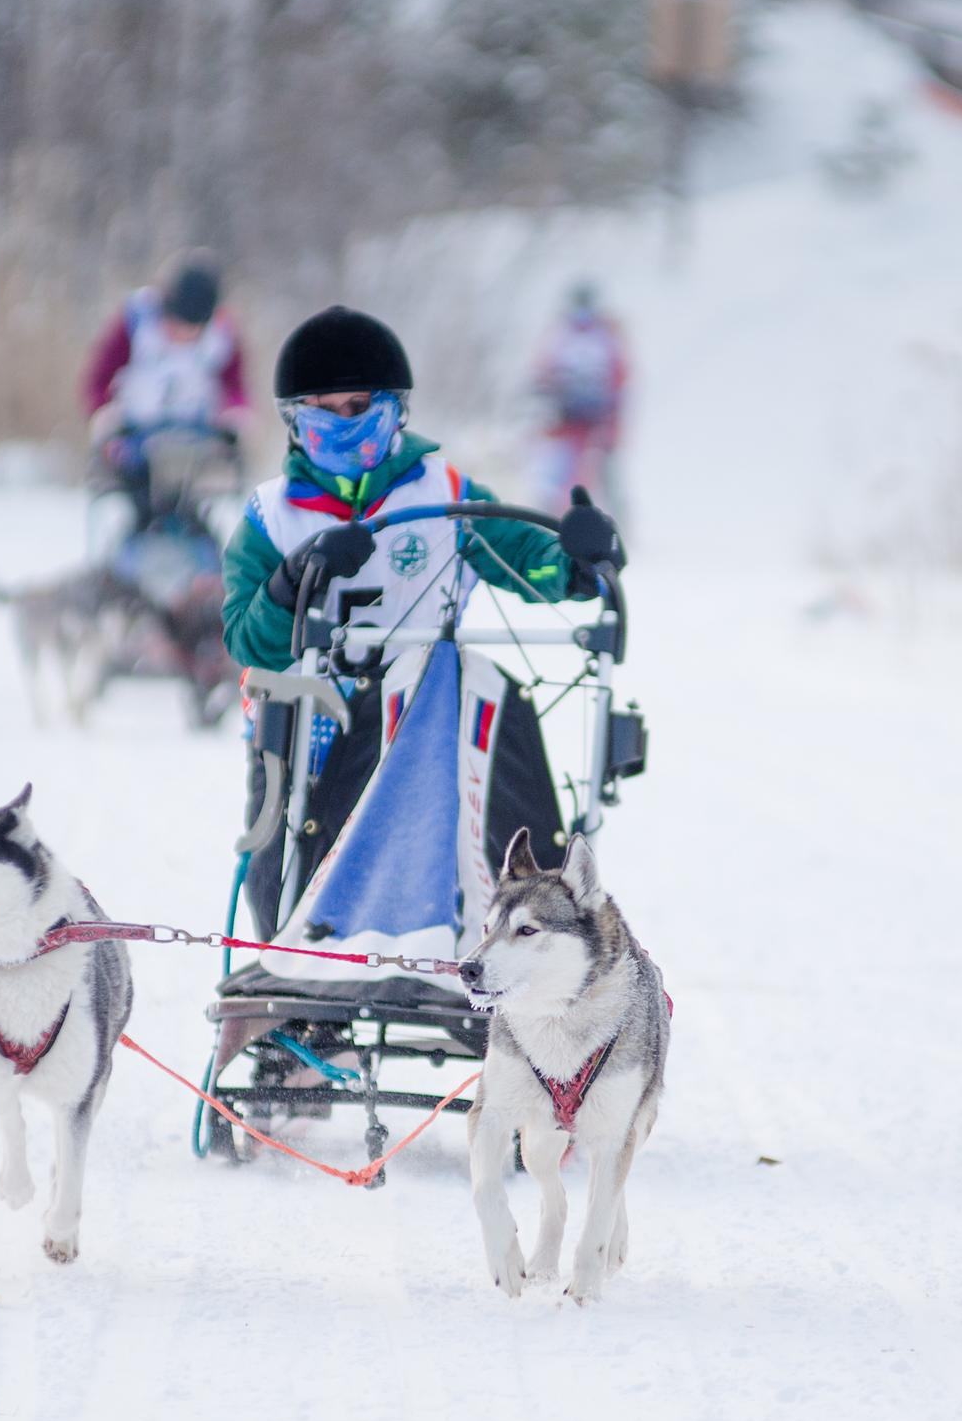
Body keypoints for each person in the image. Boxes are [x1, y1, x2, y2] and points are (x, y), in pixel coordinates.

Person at [221, 305, 625, 935]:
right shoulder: (272, 517)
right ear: (295, 425)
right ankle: (298, 976)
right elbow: (248, 639)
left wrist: (576, 561)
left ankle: (514, 945)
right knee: (275, 870)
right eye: (324, 416)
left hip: (427, 718)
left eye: (363, 412)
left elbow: (525, 558)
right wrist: (293, 578)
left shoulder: (444, 493)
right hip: (309, 724)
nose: (346, 430)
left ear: (396, 413)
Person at [80, 255, 252, 526]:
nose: (183, 335)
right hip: (137, 433)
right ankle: (143, 535)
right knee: (140, 489)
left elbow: (235, 385)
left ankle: (198, 544)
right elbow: (99, 378)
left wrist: (235, 419)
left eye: (193, 329)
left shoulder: (222, 335)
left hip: (196, 436)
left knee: (197, 492)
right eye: (177, 325)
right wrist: (105, 416)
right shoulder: (135, 322)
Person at [529, 281, 629, 515]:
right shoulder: (560, 334)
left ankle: (617, 520)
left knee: (603, 472)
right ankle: (552, 518)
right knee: (558, 471)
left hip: (598, 416)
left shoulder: (607, 335)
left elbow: (620, 376)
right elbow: (544, 371)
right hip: (566, 416)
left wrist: (614, 418)